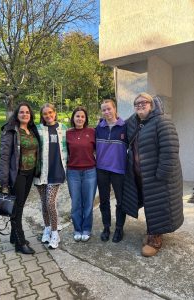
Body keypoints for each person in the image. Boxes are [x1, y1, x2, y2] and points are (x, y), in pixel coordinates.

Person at [123, 92, 184, 257]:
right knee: (151, 205)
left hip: (158, 177)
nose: (140, 105)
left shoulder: (162, 122)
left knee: (160, 206)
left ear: (152, 105)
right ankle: (152, 231)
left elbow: (170, 150)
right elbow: (119, 127)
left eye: (144, 102)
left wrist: (162, 175)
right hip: (142, 176)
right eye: (137, 103)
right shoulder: (135, 123)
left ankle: (155, 239)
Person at [0, 102, 41, 254]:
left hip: (30, 173)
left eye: (27, 112)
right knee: (17, 207)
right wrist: (3, 181)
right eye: (22, 112)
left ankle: (13, 235)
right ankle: (20, 242)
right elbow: (4, 157)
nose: (25, 114)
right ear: (17, 114)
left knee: (20, 204)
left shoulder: (31, 129)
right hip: (17, 174)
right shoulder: (11, 131)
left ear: (31, 115)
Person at [34, 103, 67, 249]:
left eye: (50, 112)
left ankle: (55, 233)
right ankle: (47, 228)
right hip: (40, 172)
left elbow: (70, 147)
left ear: (55, 113)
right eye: (45, 114)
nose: (48, 116)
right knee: (43, 203)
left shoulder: (63, 128)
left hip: (56, 171)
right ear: (42, 116)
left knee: (50, 203)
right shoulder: (38, 129)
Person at [96, 99, 127, 243]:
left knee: (121, 201)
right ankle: (106, 227)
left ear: (114, 109)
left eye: (109, 109)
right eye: (104, 110)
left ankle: (119, 228)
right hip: (102, 169)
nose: (106, 112)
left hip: (119, 170)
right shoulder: (98, 128)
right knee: (104, 201)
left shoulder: (124, 127)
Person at [66, 107, 97, 242]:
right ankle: (77, 229)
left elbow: (98, 150)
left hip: (90, 172)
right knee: (76, 203)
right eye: (77, 116)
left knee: (88, 203)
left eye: (82, 116)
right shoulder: (67, 133)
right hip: (73, 172)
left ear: (86, 119)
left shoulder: (92, 132)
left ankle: (87, 229)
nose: (80, 119)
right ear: (73, 118)